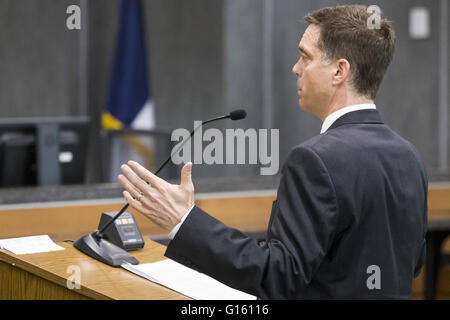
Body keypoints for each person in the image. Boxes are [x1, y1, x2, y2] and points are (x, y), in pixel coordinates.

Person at [118, 5, 428, 299]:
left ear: (339, 71)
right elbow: (411, 262)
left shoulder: (315, 160)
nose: (295, 69)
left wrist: (183, 220)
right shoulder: (409, 157)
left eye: (305, 57)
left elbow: (279, 277)